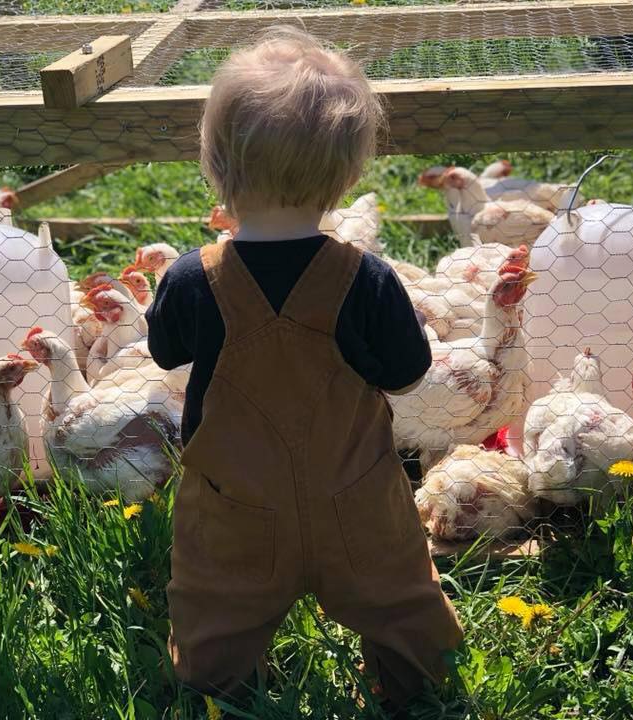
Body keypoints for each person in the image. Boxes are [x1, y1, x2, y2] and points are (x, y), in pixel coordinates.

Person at [146, 25, 462, 709]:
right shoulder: (368, 279)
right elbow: (407, 374)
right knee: (403, 603)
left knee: (213, 617)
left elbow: (165, 352)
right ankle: (419, 689)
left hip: (234, 507)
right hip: (358, 501)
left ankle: (221, 690)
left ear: (216, 164)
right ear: (347, 174)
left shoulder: (192, 279)